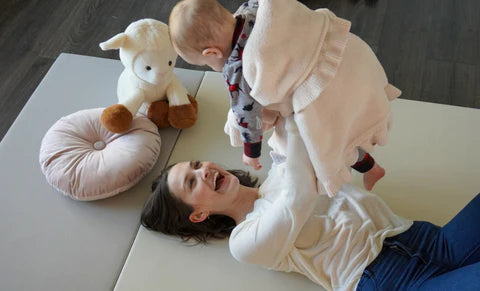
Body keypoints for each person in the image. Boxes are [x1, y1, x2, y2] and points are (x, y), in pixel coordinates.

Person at [141, 118, 480, 290]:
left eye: (197, 165)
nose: (204, 172)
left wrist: (253, 115)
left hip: (420, 239)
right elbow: (297, 200)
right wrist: (287, 137)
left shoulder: (281, 169)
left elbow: (303, 124)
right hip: (388, 282)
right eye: (191, 182)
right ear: (198, 215)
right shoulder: (245, 242)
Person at [168, 0, 399, 196]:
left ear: (212, 53)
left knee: (326, 143)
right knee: (348, 132)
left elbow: (247, 114)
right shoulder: (257, 9)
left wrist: (251, 152)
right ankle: (372, 168)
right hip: (347, 58)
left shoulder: (241, 68)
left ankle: (370, 168)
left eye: (208, 64)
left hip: (321, 95)